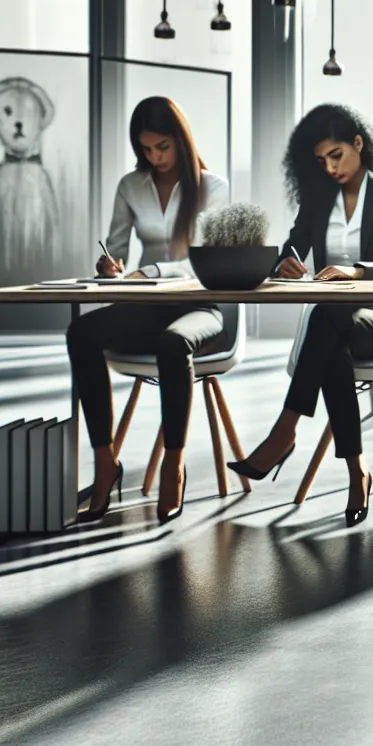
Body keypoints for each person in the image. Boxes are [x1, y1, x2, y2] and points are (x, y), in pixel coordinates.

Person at [228, 104, 373, 527]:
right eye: (321, 161)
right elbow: (292, 248)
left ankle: (284, 432)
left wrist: (359, 271)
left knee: (327, 320)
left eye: (337, 155)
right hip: (334, 324)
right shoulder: (317, 199)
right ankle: (358, 472)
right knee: (333, 348)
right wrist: (286, 263)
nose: (330, 167)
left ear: (358, 144)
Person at [69, 97, 230, 525]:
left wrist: (152, 270)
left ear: (180, 139)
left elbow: (207, 261)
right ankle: (106, 462)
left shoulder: (214, 188)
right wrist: (110, 266)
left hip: (201, 306)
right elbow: (116, 251)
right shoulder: (130, 187)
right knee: (81, 333)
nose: (154, 157)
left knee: (173, 344)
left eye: (162, 147)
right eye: (145, 149)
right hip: (146, 304)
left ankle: (173, 465)